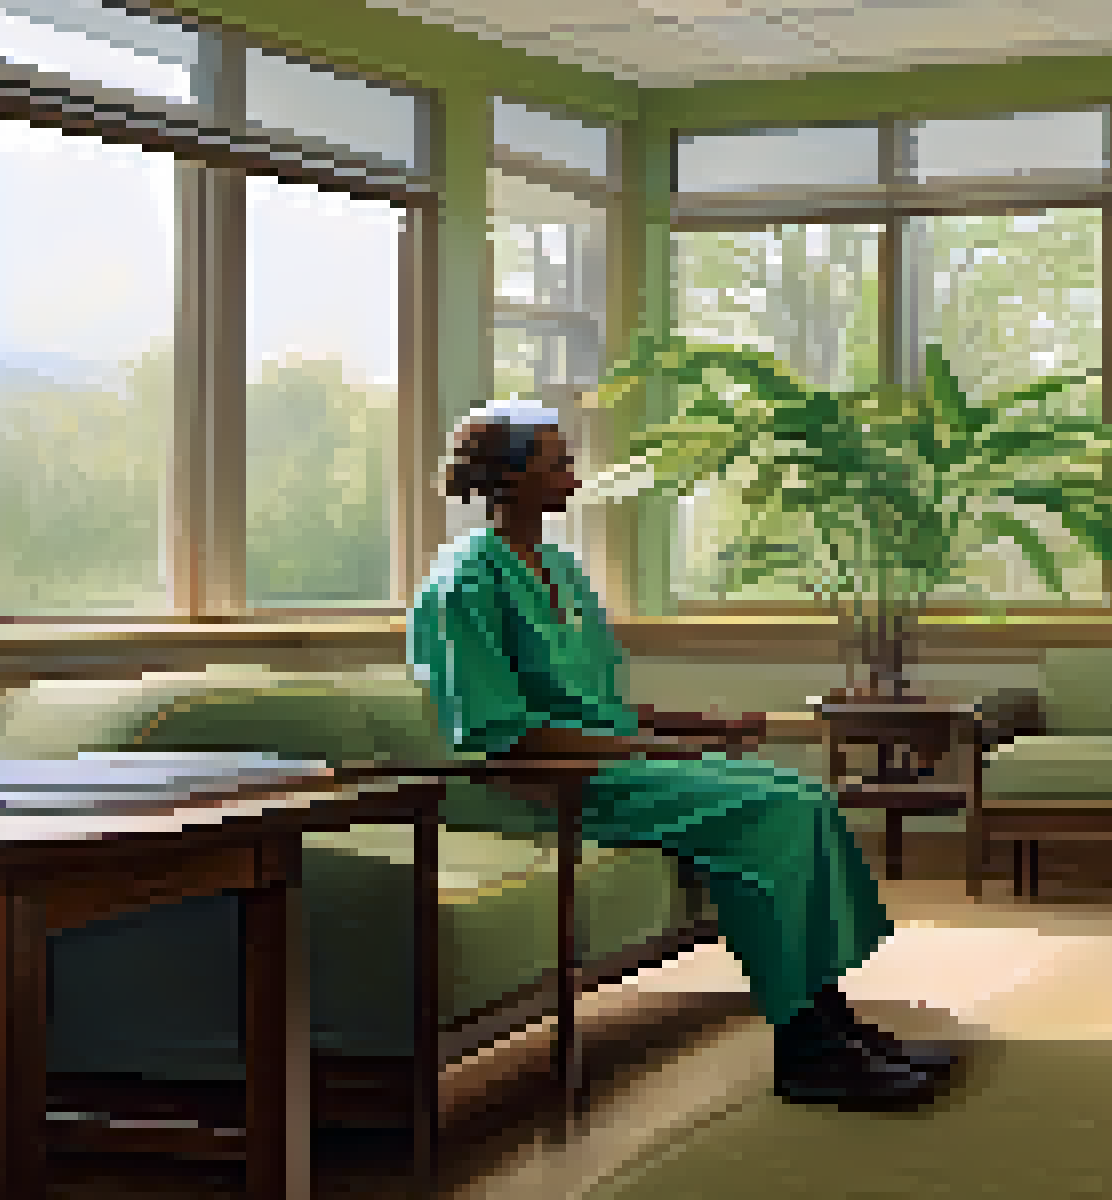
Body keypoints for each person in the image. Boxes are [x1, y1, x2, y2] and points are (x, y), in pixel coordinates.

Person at [409, 401, 960, 1110]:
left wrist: (699, 725)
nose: (572, 471)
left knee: (803, 797)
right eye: (557, 460)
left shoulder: (560, 570)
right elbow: (501, 732)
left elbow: (591, 705)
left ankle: (831, 1023)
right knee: (773, 815)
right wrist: (651, 746)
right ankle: (808, 1050)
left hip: (610, 763)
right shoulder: (463, 584)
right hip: (544, 784)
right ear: (510, 479)